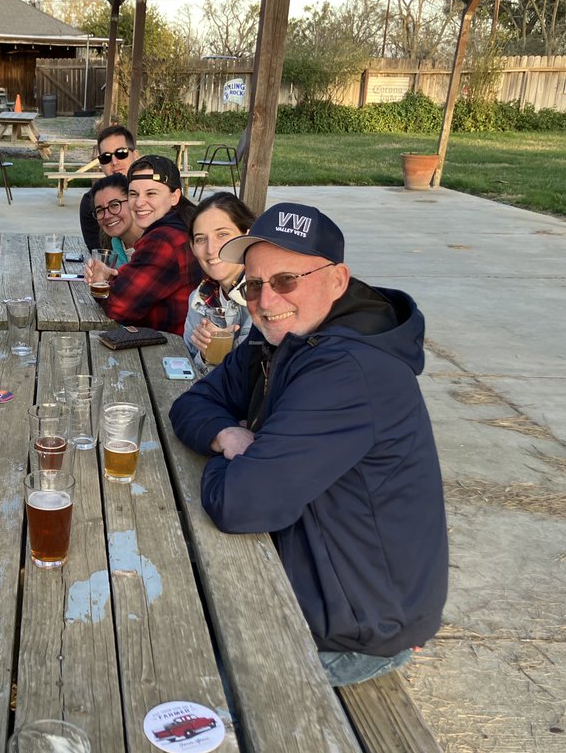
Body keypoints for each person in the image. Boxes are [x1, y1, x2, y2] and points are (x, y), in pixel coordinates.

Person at [168, 203, 447, 686]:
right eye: (253, 284)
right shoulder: (275, 340)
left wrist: (240, 464)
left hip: (350, 625)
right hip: (308, 568)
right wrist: (229, 435)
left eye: (285, 280)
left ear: (338, 280)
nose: (265, 299)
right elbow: (191, 405)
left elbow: (240, 503)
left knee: (173, 677)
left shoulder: (349, 369)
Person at [83, 155, 202, 336]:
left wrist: (100, 283)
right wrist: (111, 280)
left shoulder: (164, 240)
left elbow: (119, 306)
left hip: (174, 353)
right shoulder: (180, 226)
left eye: (151, 193)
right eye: (134, 194)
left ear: (174, 197)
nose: (139, 203)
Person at [183, 193, 256, 372]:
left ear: (246, 234)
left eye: (222, 234)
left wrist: (227, 351)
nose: (211, 249)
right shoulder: (199, 298)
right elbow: (187, 362)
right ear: (192, 247)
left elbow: (256, 372)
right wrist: (205, 355)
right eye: (201, 239)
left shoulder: (264, 294)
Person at [79, 125, 137, 251]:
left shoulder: (155, 194)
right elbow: (101, 254)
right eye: (106, 157)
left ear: (136, 155)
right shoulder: (91, 201)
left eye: (121, 153)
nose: (114, 162)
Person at [88, 174, 143, 265]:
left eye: (114, 205)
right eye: (100, 210)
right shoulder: (113, 245)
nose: (107, 216)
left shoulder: (156, 245)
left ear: (132, 201)